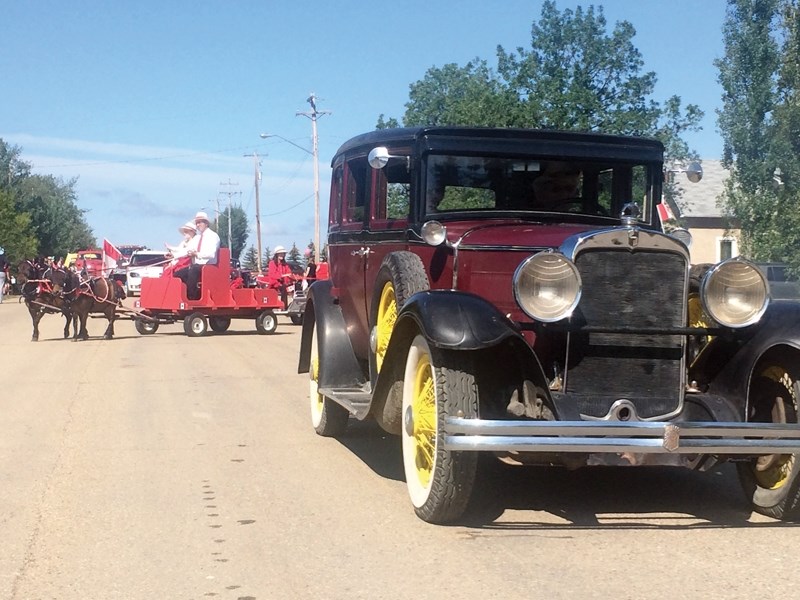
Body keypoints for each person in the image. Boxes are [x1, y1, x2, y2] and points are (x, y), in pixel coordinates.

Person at [174, 211, 221, 300]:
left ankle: (192, 297)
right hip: (197, 266)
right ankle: (185, 294)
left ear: (206, 223)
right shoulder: (197, 238)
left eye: (200, 222)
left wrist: (196, 254)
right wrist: (173, 255)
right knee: (177, 274)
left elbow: (211, 254)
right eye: (197, 223)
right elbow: (186, 250)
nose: (198, 225)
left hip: (209, 266)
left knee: (193, 269)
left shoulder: (213, 236)